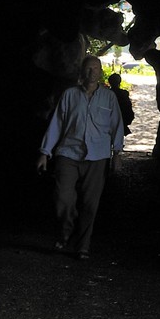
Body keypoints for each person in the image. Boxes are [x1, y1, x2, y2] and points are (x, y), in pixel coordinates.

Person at [36, 54, 126, 260]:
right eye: (88, 68)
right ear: (82, 71)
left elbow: (117, 125)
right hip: (68, 152)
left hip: (98, 156)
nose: (92, 72)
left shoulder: (109, 98)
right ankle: (66, 229)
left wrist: (117, 153)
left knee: (90, 203)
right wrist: (44, 152)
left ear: (101, 72)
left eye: (96, 68)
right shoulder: (69, 95)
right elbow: (57, 124)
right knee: (63, 198)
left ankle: (83, 246)